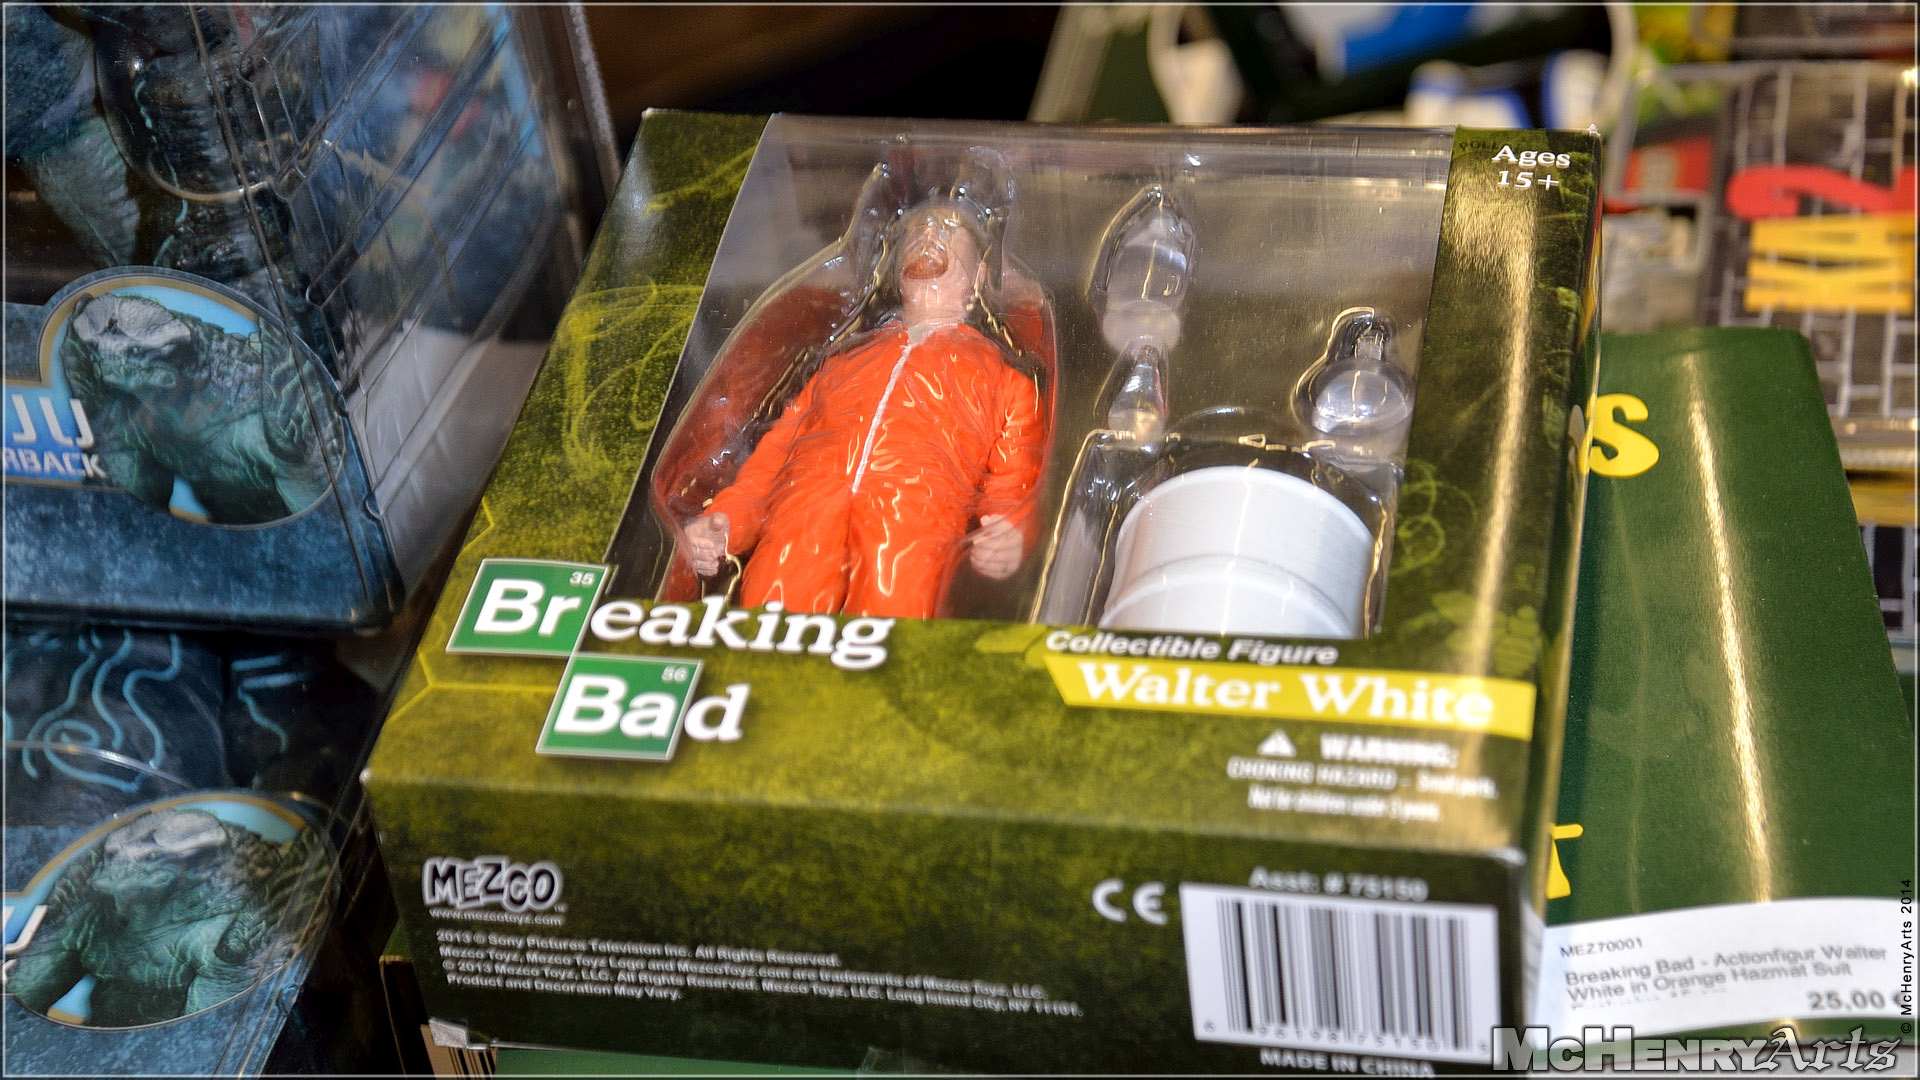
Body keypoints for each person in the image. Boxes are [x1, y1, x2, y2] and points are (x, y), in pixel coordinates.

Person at [681, 200, 1047, 618]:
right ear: (895, 269)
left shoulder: (1003, 381)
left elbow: (1016, 481)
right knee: (769, 623)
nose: (929, 238)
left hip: (912, 532)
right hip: (800, 518)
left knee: (889, 630)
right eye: (916, 234)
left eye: (948, 233)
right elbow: (773, 456)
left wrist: (1011, 533)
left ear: (979, 275)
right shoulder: (843, 363)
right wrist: (726, 521)